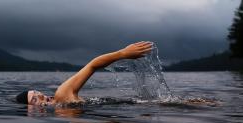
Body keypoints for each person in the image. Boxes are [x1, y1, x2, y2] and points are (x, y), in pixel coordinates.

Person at [16, 41, 153, 106]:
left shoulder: (62, 94)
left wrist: (122, 53)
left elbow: (92, 65)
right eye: (34, 99)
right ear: (31, 110)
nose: (39, 95)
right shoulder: (59, 107)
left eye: (36, 92)